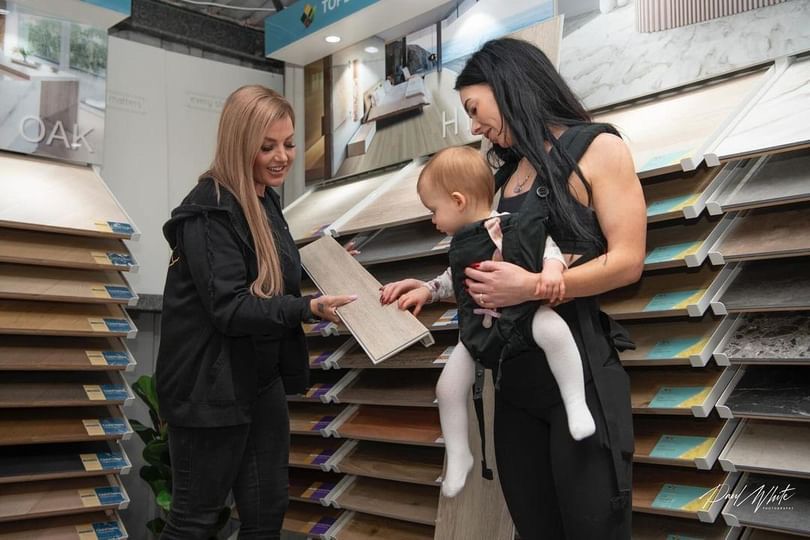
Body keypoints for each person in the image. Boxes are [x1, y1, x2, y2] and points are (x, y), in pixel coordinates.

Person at [380, 38, 646, 539]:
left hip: (579, 376)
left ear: (509, 86)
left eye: (475, 109)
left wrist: (536, 286)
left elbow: (628, 262)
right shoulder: (502, 177)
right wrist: (435, 289)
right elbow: (487, 261)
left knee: (594, 527)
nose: (474, 125)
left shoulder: (599, 148)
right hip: (514, 387)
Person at [155, 85, 356, 539]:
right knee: (195, 519)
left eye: (288, 143)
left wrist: (331, 262)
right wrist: (307, 308)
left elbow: (267, 267)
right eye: (267, 147)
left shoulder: (264, 200)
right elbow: (230, 307)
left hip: (257, 382)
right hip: (208, 390)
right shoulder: (209, 210)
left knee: (266, 517)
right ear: (238, 142)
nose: (282, 156)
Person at [401, 145, 595, 498]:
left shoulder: (507, 225)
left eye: (434, 210)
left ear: (458, 201)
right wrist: (427, 292)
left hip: (522, 315)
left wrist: (552, 270)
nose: (433, 220)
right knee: (447, 388)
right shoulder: (461, 243)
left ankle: (575, 402)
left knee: (554, 330)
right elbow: (453, 278)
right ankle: (458, 454)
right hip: (478, 328)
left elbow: (547, 246)